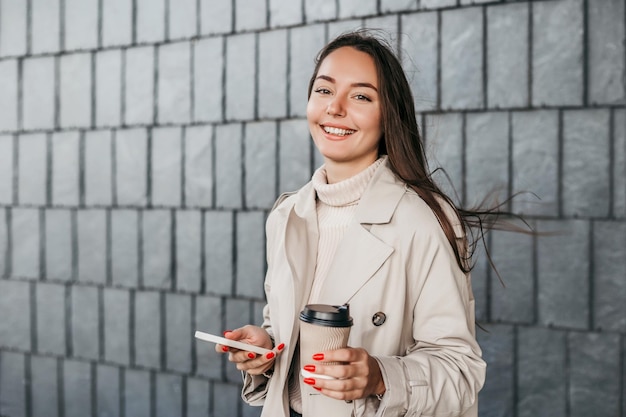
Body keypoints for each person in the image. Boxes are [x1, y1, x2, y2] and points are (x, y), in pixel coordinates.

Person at [216, 30, 486, 417]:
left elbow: (461, 371)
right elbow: (287, 332)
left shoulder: (423, 219)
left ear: (388, 114)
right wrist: (268, 348)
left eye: (361, 96)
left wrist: (380, 377)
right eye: (324, 90)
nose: (335, 108)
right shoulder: (288, 215)